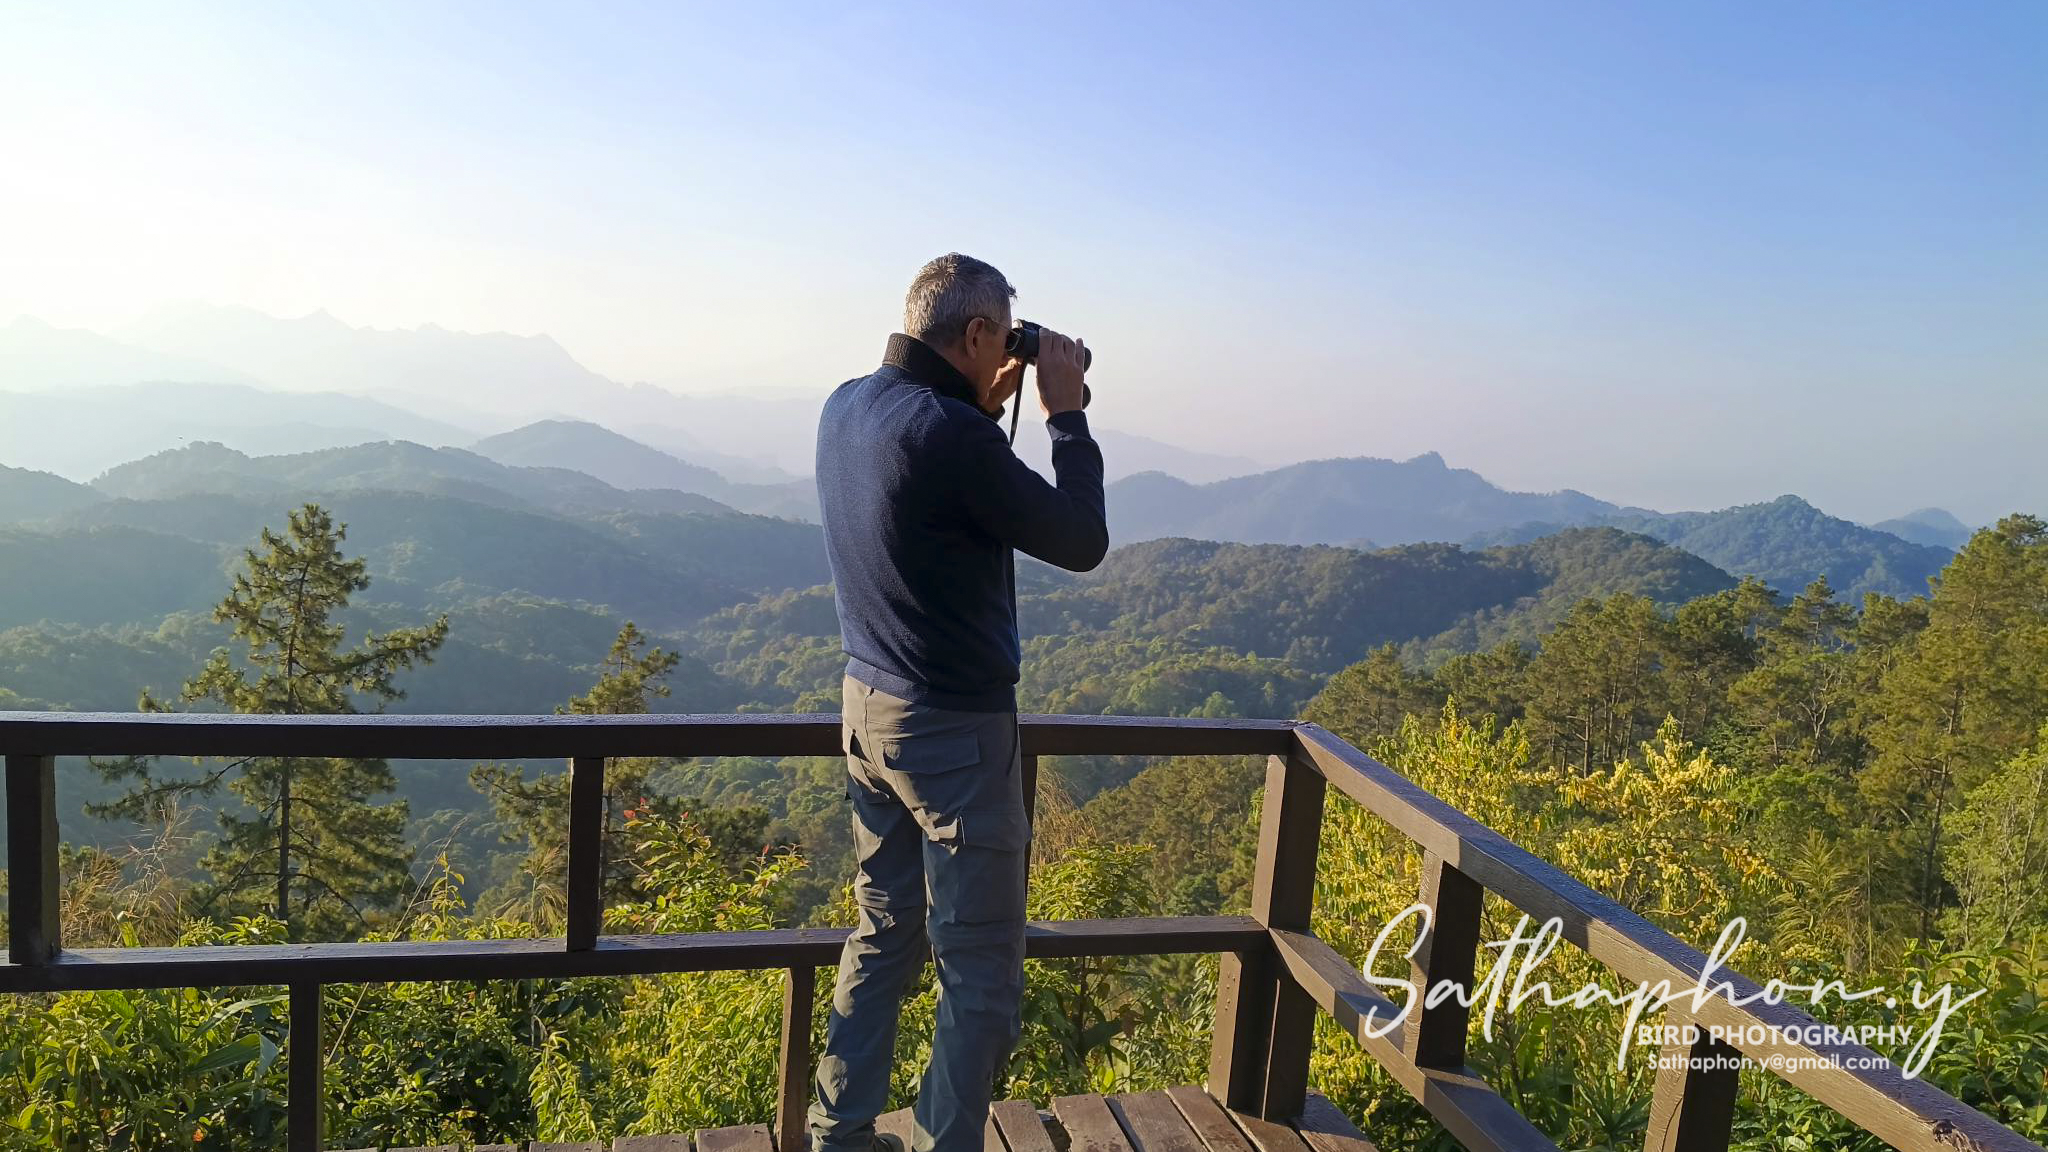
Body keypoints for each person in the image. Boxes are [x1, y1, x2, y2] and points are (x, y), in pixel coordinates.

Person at [808, 253, 1109, 1152]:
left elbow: (938, 488)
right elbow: (1082, 540)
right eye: (1002, 338)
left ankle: (840, 1132)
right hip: (953, 737)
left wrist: (985, 405)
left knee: (883, 930)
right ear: (977, 333)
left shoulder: (847, 405)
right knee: (980, 972)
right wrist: (1065, 416)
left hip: (866, 707)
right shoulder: (952, 434)